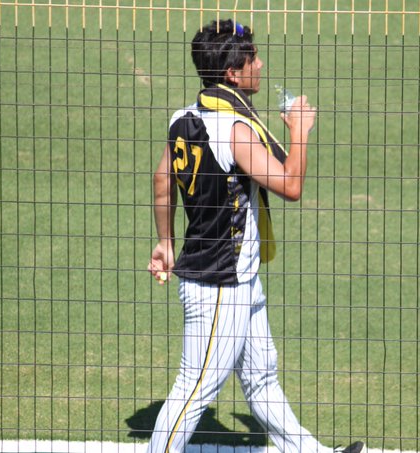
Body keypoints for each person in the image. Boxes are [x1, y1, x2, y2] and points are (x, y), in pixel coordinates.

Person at [147, 19, 365, 453]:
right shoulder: (235, 130)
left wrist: (165, 242)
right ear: (232, 73)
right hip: (220, 286)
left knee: (261, 377)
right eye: (253, 59)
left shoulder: (181, 119)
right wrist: (299, 132)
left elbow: (162, 180)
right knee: (194, 388)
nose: (260, 64)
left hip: (236, 278)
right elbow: (290, 185)